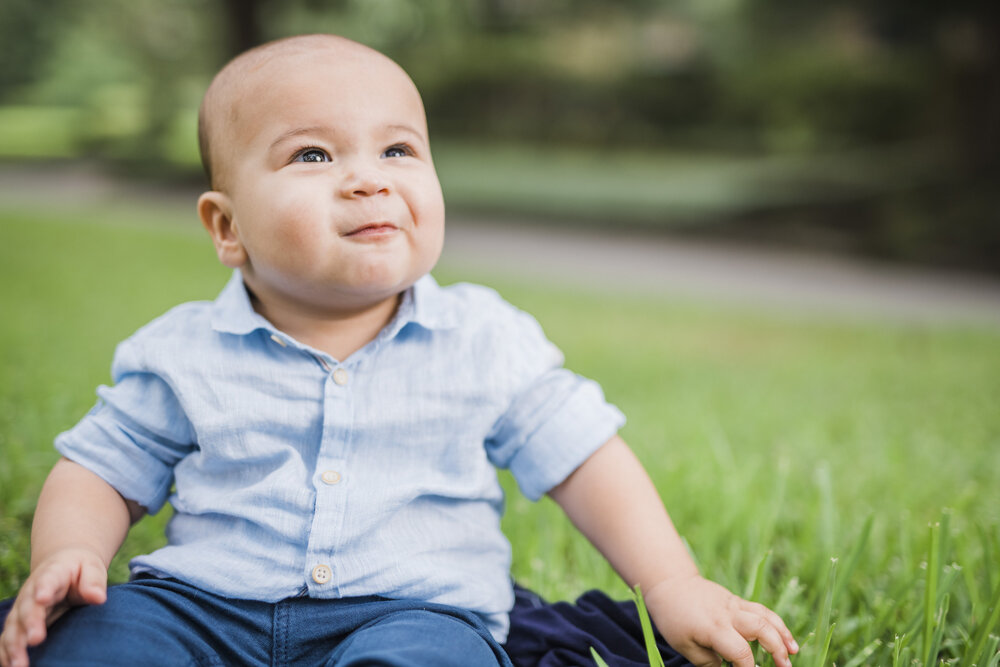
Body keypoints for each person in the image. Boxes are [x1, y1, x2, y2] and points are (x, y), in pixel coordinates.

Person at [0, 34, 798, 667]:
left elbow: (588, 459)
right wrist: (70, 552)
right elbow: (101, 468)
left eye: (398, 151)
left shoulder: (485, 341)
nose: (367, 180)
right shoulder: (183, 351)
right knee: (89, 641)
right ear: (227, 227)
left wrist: (670, 582)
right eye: (313, 155)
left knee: (439, 657)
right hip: (206, 610)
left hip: (413, 609)